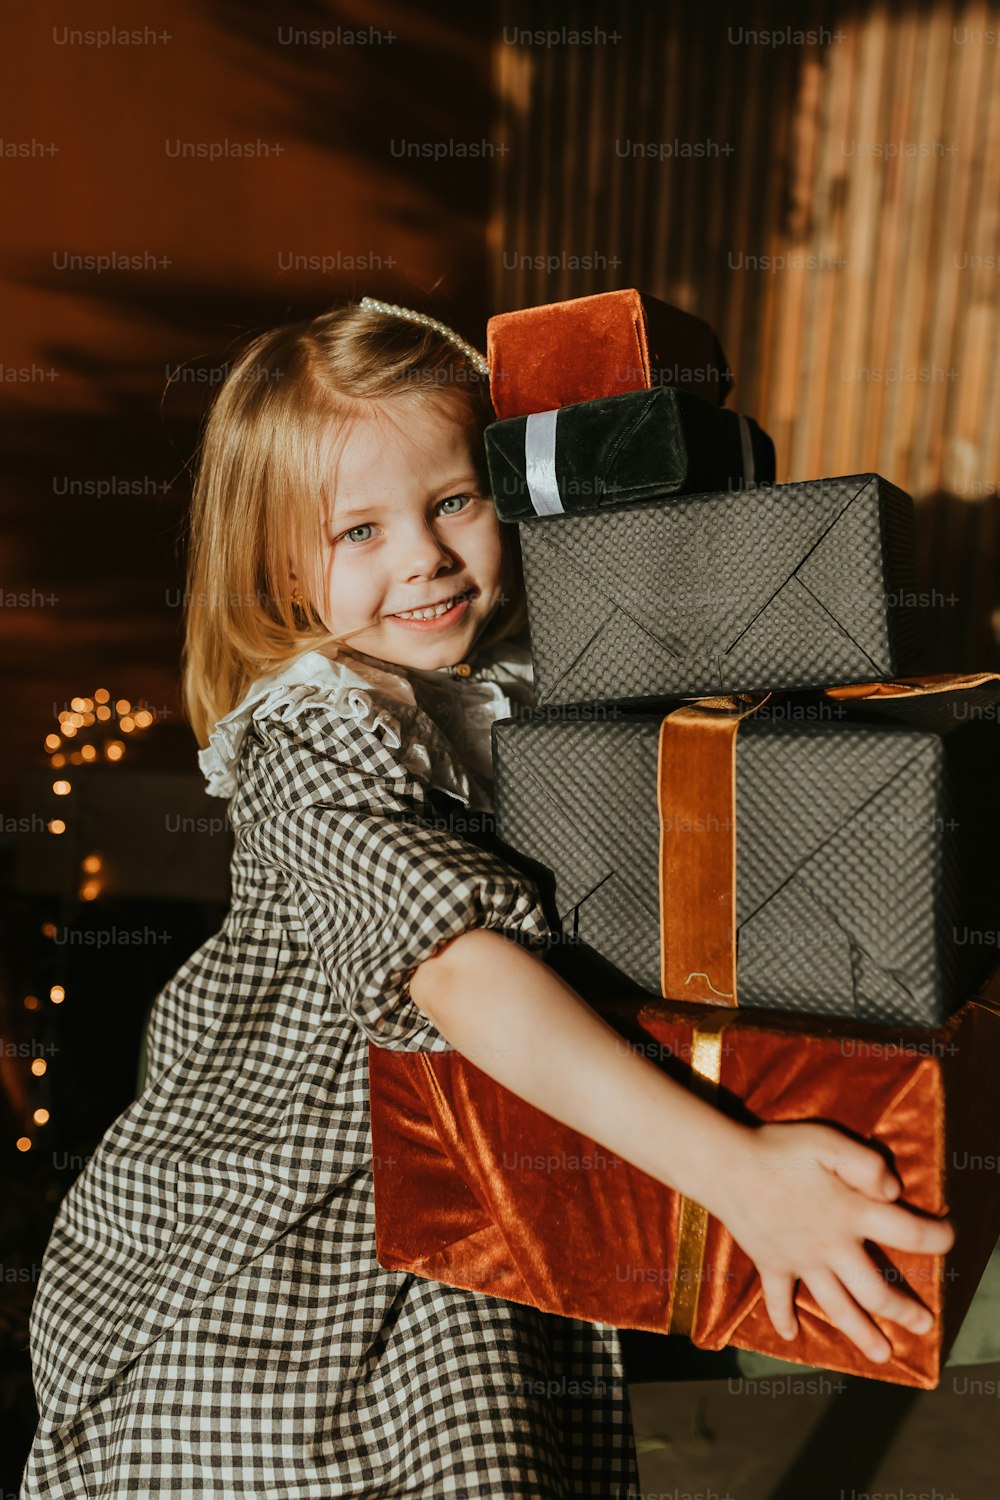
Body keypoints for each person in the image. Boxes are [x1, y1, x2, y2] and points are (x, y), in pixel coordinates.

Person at [20, 297, 954, 1498]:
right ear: (275, 564)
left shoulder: (504, 685)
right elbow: (458, 970)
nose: (421, 555)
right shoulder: (312, 738)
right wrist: (735, 1174)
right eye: (356, 528)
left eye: (452, 501)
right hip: (273, 1237)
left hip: (468, 1177)